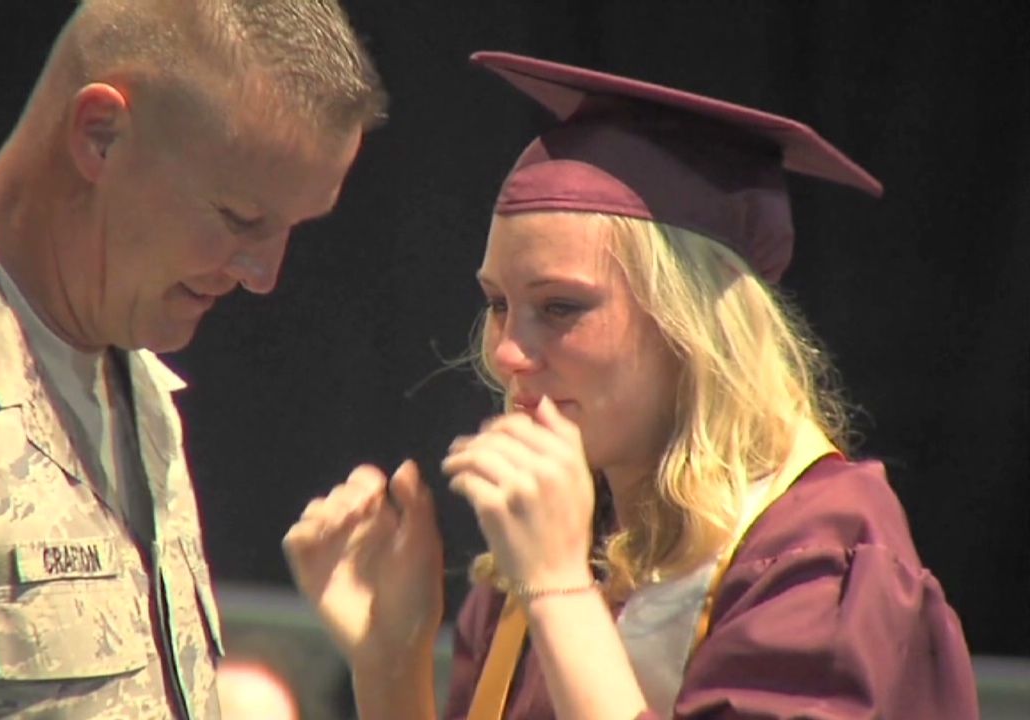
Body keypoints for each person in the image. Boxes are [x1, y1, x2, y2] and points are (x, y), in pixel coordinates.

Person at [282, 52, 979, 719]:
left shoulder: (820, 555)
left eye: (560, 307)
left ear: (694, 328)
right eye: (498, 306)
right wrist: (390, 658)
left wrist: (560, 592)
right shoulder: (562, 534)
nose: (508, 354)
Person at [0, 1, 383, 717]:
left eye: (291, 228)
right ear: (101, 136)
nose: (263, 274)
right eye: (241, 219)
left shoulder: (122, 367)